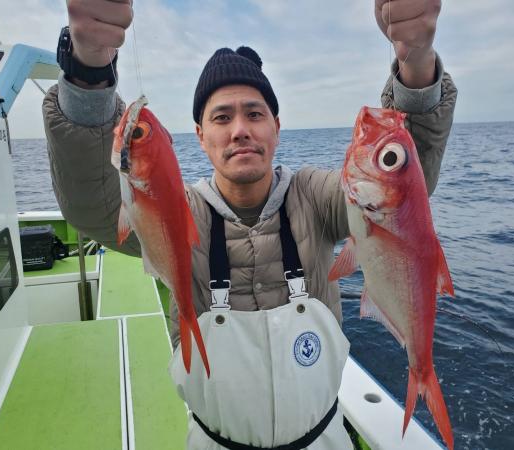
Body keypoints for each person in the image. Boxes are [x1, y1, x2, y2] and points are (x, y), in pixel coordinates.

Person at [43, 0, 457, 448]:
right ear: (200, 135)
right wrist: (88, 71)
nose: (240, 129)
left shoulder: (316, 197)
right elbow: (94, 206)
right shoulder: (176, 211)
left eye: (255, 114)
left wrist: (415, 64)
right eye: (222, 117)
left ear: (276, 128)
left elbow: (400, 189)